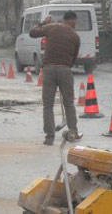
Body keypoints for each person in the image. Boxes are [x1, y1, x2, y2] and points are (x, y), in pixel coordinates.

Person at [29, 11, 82, 146]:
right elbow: (74, 58)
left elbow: (32, 33)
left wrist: (44, 23)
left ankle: (49, 137)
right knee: (69, 103)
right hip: (65, 69)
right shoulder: (75, 36)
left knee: (48, 104)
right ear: (73, 20)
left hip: (48, 70)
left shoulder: (51, 27)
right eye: (75, 22)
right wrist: (66, 65)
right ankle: (73, 132)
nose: (75, 24)